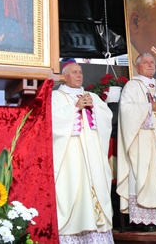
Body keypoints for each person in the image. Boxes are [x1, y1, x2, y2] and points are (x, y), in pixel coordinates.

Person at [52, 60, 114, 243]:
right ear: (64, 76)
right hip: (71, 154)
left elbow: (107, 117)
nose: (79, 75)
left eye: (80, 72)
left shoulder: (92, 96)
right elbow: (53, 121)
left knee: (96, 186)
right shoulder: (56, 97)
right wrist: (75, 108)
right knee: (72, 188)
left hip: (93, 153)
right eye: (74, 72)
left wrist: (94, 110)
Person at [117, 53, 156, 231]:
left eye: (152, 62)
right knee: (146, 175)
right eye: (145, 62)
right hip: (144, 139)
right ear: (137, 67)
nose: (150, 65)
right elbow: (126, 110)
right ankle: (145, 220)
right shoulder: (132, 85)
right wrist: (151, 107)